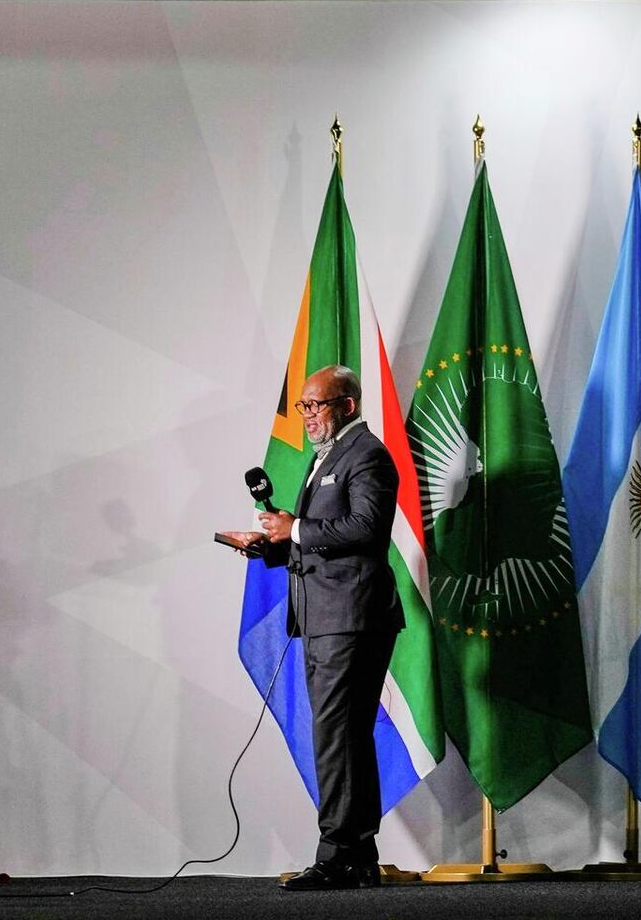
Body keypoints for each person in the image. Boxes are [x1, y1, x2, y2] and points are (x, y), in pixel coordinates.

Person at [255, 366, 404, 893]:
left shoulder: (367, 454)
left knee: (338, 736)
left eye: (315, 405)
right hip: (323, 617)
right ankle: (357, 858)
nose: (307, 415)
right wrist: (274, 544)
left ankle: (338, 855)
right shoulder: (326, 457)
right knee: (344, 737)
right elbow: (322, 539)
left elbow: (367, 528)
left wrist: (295, 527)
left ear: (347, 405)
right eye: (303, 406)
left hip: (352, 617)